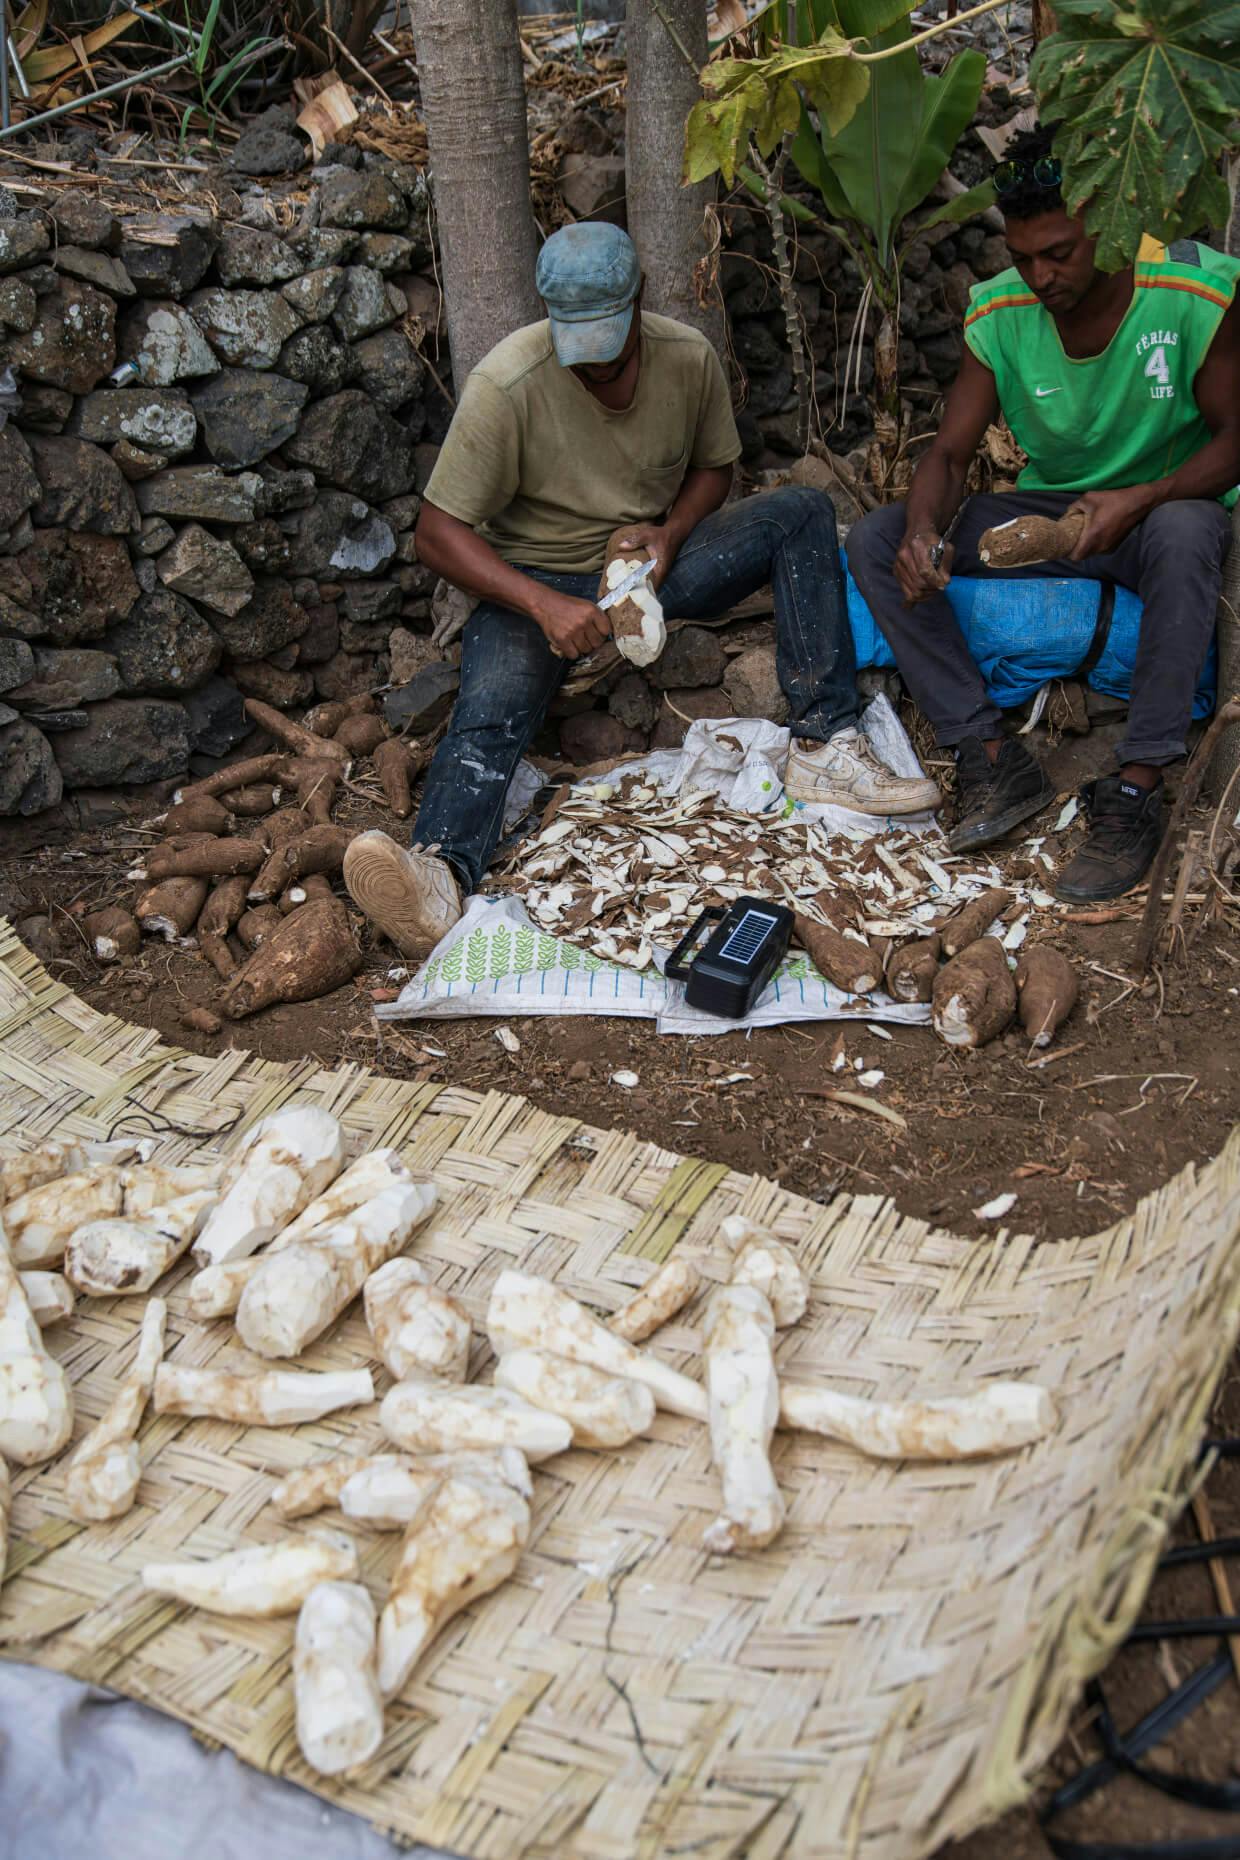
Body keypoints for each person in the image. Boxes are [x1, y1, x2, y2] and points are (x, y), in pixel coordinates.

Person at [343, 221, 938, 957]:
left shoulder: (688, 359)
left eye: (611, 350)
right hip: (537, 580)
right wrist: (541, 604)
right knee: (491, 715)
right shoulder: (508, 382)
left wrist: (672, 533)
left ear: (641, 299)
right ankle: (438, 875)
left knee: (802, 511)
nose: (597, 372)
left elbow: (716, 467)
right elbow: (436, 533)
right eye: (580, 355)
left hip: (649, 566)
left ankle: (825, 742)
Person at [846, 122, 1239, 902]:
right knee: (875, 537)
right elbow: (951, 455)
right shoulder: (1000, 314)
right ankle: (989, 754)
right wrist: (923, 531)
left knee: (1189, 529)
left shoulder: (1194, 289)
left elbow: (1238, 437)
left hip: (1165, 505)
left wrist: (1144, 498)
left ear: (1108, 227)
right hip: (1057, 518)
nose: (1042, 275)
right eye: (1024, 258)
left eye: (1061, 252)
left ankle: (1135, 786)